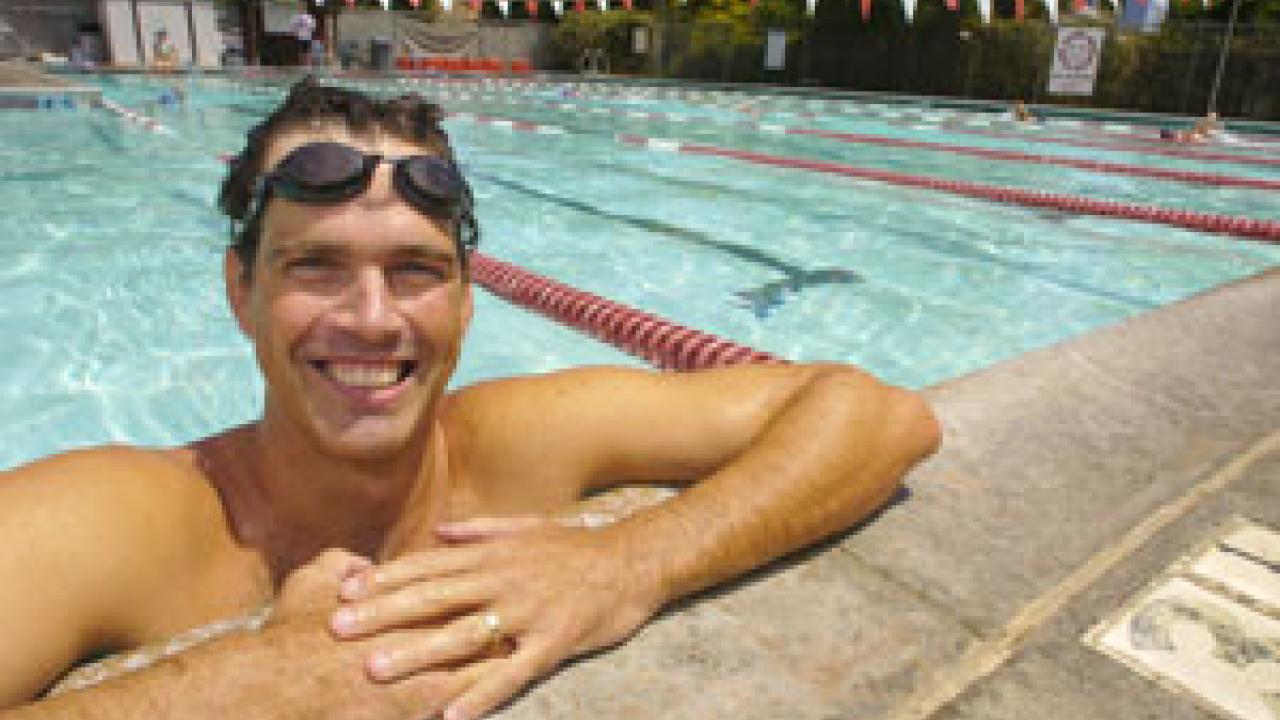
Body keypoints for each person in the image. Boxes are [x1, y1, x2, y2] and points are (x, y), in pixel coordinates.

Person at [0, 79, 941, 719]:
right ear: (240, 292)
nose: (372, 319)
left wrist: (625, 564)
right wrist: (253, 687)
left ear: (464, 302)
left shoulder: (515, 444)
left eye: (415, 270)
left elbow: (880, 414)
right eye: (315, 266)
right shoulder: (122, 520)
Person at [289, 3, 317, 67]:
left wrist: (307, 30)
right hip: (299, 38)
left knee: (308, 53)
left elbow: (313, 28)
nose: (300, 8)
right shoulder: (295, 17)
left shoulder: (308, 17)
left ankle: (308, 65)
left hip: (307, 37)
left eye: (301, 7)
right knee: (300, 53)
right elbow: (293, 28)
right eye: (299, 7)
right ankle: (302, 65)